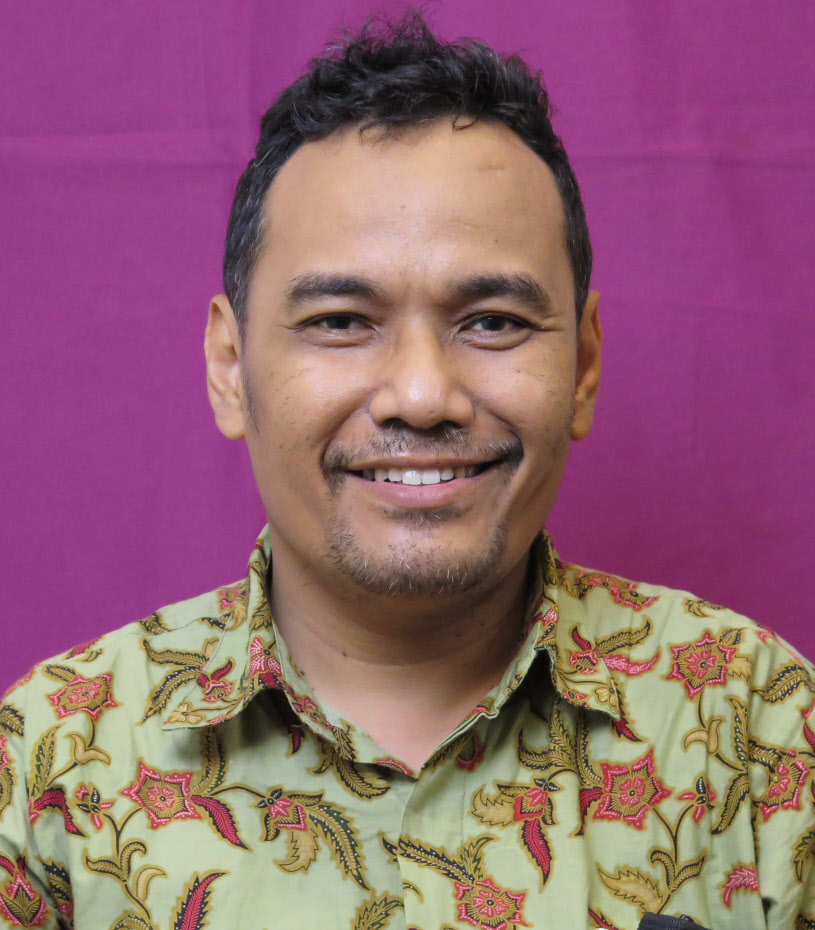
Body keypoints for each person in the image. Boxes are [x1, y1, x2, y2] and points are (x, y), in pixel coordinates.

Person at [1, 14, 812, 930]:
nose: (423, 395)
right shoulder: (52, 765)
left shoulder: (759, 729)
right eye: (341, 322)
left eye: (493, 322)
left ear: (583, 366)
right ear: (230, 369)